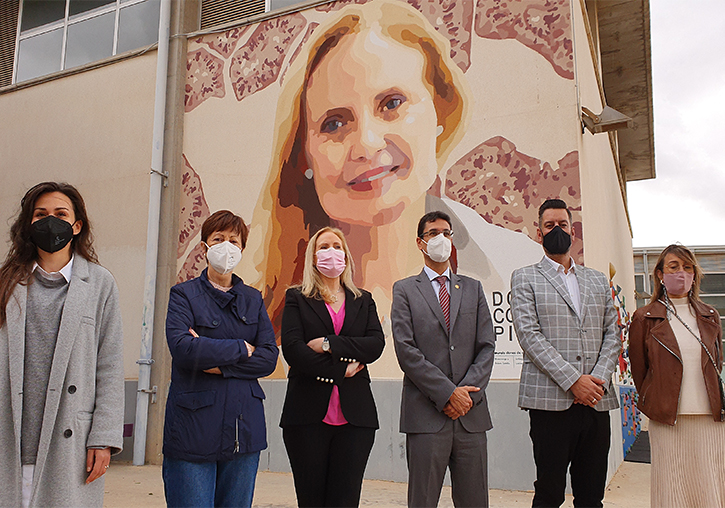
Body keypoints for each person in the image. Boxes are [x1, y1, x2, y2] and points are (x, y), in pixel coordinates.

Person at [247, 0, 470, 331]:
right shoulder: (261, 316)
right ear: (303, 155)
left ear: (440, 111)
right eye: (334, 124)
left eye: (392, 104)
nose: (366, 143)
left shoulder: (507, 261)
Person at [0, 182, 124, 507]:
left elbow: (109, 366)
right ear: (29, 224)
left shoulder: (99, 284)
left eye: (60, 214)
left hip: (70, 438)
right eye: (40, 215)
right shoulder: (6, 282)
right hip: (9, 433)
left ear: (77, 224)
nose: (50, 221)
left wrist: (104, 437)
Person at [162, 210, 278, 508]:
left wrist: (214, 360)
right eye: (218, 239)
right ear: (204, 247)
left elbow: (267, 358)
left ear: (242, 248)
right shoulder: (183, 295)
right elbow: (183, 349)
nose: (226, 246)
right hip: (192, 431)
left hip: (244, 428)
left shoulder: (252, 299)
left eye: (233, 240)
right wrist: (241, 348)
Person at [510, 198, 621, 508]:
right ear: (538, 232)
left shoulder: (597, 279)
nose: (556, 230)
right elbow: (530, 336)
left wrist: (595, 381)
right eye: (549, 225)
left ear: (573, 230)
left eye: (562, 225)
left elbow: (613, 333)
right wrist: (575, 382)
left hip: (596, 402)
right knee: (549, 493)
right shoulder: (524, 277)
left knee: (591, 495)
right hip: (550, 403)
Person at [391, 210, 495, 507]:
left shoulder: (473, 288)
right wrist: (448, 393)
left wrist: (465, 396)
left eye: (446, 233)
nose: (441, 239)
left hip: (470, 417)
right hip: (425, 417)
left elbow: (486, 346)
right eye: (433, 233)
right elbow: (406, 350)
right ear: (420, 243)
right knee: (422, 501)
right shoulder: (405, 290)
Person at [279, 227, 385, 507]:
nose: (332, 252)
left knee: (346, 500)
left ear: (347, 256)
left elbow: (374, 345)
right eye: (324, 246)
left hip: (355, 419)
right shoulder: (297, 298)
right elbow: (294, 350)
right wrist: (340, 370)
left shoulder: (363, 300)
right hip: (307, 417)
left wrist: (328, 343)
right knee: (311, 499)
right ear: (313, 257)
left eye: (337, 246)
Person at [629, 244, 724, 507]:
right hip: (668, 418)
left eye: (687, 267)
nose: (681, 273)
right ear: (660, 273)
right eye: (673, 267)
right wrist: (657, 399)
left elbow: (717, 362)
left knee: (709, 486)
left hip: (710, 418)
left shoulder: (710, 315)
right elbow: (640, 370)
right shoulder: (644, 318)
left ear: (694, 274)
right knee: (672, 487)